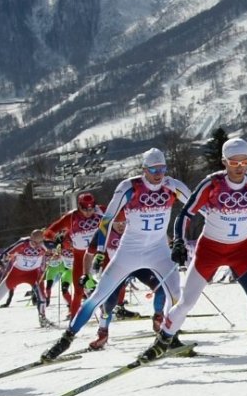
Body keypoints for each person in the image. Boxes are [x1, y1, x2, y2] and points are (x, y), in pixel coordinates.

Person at [138, 138, 247, 369]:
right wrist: (178, 242)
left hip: (241, 250)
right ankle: (163, 341)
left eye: (244, 161)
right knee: (186, 302)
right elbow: (186, 214)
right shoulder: (212, 184)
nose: (240, 167)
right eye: (233, 162)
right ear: (224, 162)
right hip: (210, 250)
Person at [40, 150, 193, 361]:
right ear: (144, 169)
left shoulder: (172, 186)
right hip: (129, 252)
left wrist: (184, 238)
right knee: (97, 297)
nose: (159, 174)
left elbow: (196, 206)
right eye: (153, 170)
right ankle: (66, 339)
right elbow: (107, 221)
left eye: (162, 169)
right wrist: (101, 252)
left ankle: (169, 337)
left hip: (158, 251)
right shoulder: (129, 187)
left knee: (177, 295)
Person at [41, 193, 107, 320]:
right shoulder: (71, 217)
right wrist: (56, 238)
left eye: (91, 208)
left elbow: (121, 216)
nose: (89, 212)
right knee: (78, 290)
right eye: (84, 209)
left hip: (100, 253)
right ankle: (74, 319)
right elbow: (48, 232)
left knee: (113, 282)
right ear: (79, 207)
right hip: (80, 256)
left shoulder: (102, 211)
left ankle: (113, 308)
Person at [0, 231, 54, 327]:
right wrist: (3, 260)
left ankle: (43, 319)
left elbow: (53, 253)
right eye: (34, 242)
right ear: (31, 238)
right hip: (16, 273)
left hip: (33, 274)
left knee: (42, 297)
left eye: (39, 242)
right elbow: (5, 253)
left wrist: (53, 254)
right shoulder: (23, 243)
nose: (36, 245)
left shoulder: (44, 245)